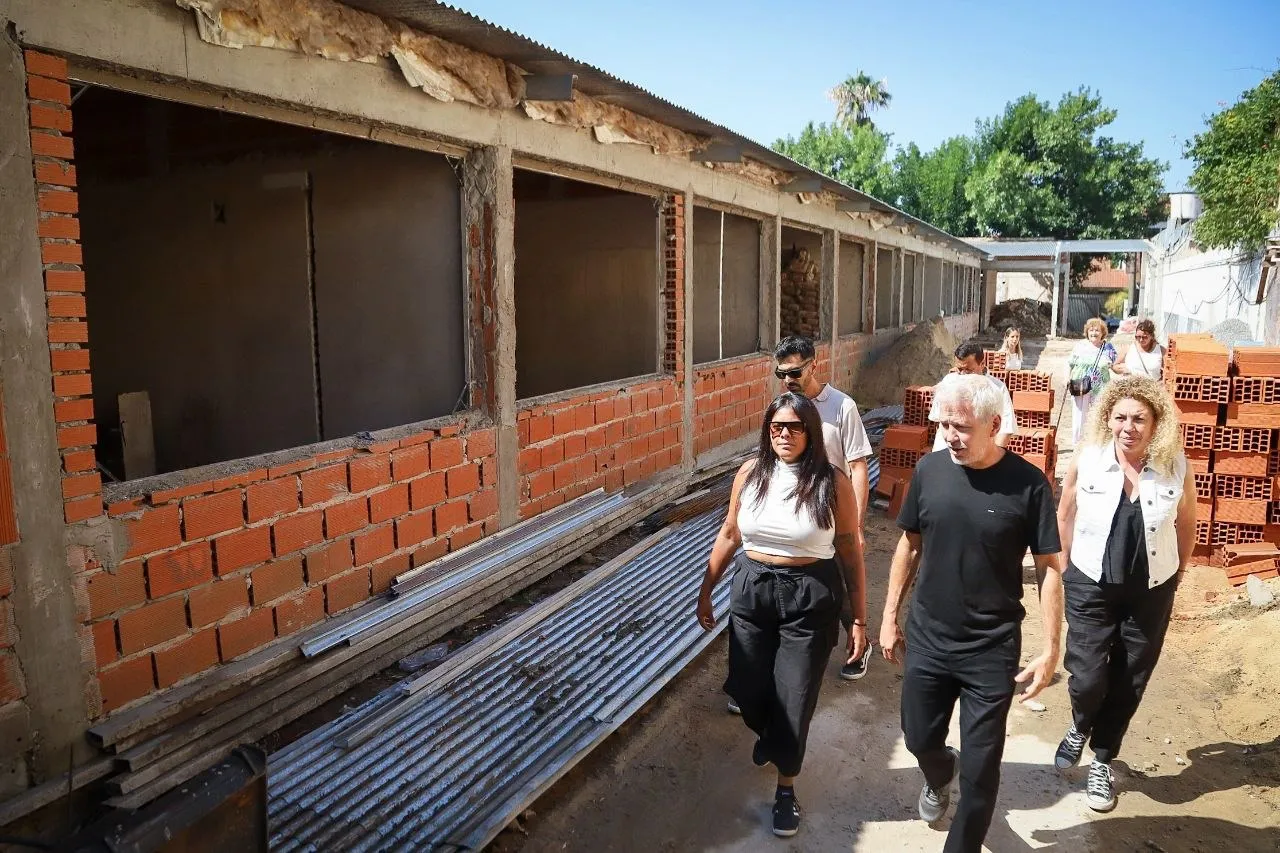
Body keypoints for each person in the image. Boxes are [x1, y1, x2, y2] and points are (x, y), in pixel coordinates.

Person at [880, 373, 1063, 853]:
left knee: (981, 773)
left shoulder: (1029, 485)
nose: (950, 436)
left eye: (961, 427)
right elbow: (909, 545)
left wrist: (1051, 649)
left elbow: (1049, 568)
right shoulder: (929, 471)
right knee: (918, 738)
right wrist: (888, 616)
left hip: (991, 647)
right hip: (929, 638)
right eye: (944, 425)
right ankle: (939, 771)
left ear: (994, 424)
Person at [696, 392, 868, 838]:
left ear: (811, 432)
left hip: (810, 595)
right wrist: (706, 589)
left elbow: (849, 549)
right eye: (777, 427)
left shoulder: (831, 482)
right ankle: (772, 737)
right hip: (752, 589)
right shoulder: (750, 473)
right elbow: (730, 532)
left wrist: (859, 619)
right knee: (748, 687)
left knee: (795, 697)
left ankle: (786, 788)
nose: (785, 434)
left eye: (794, 427)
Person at [1053, 376, 1196, 812]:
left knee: (1131, 676)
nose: (1128, 427)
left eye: (1139, 419)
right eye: (1120, 417)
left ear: (1155, 424)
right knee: (1087, 675)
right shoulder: (1089, 459)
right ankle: (1080, 724)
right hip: (1090, 583)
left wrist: (1179, 571)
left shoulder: (1175, 464)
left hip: (1150, 589)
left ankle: (1102, 757)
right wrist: (1064, 567)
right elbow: (1065, 513)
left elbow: (1188, 520)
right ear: (1107, 419)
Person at [773, 336, 875, 681]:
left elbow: (858, 467)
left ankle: (859, 644)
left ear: (814, 365)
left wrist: (856, 525)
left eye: (795, 372)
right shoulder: (785, 407)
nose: (789, 380)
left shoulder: (841, 407)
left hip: (833, 513)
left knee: (845, 584)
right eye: (782, 374)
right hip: (795, 516)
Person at [928, 341, 1017, 451]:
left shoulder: (997, 388)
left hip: (978, 456)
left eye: (968, 370)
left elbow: (1006, 429)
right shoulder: (948, 382)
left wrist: (993, 458)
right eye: (959, 370)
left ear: (982, 364)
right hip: (945, 452)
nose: (963, 375)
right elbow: (938, 420)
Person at [1066, 318, 1118, 446]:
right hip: (1080, 384)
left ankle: (1097, 442)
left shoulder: (1108, 348)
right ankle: (1077, 444)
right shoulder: (1081, 346)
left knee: (1099, 414)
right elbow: (1070, 363)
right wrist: (1066, 377)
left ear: (1103, 333)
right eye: (1091, 330)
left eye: (1097, 330)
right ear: (1087, 332)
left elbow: (1114, 365)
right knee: (1079, 415)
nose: (1094, 333)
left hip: (1100, 386)